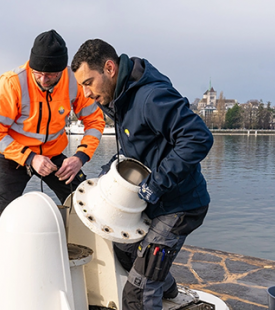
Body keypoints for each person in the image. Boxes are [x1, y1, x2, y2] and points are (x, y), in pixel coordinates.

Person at [0, 30, 105, 310]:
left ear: (62, 69)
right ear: (30, 64)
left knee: (90, 205)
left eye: (50, 75)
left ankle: (107, 276)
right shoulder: (12, 82)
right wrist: (28, 158)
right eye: (38, 72)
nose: (43, 79)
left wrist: (80, 157)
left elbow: (95, 121)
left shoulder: (73, 83)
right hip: (14, 157)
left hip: (55, 157)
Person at [71, 39, 213, 310]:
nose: (86, 93)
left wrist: (157, 184)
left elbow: (198, 137)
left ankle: (153, 289)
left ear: (110, 68)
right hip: (155, 201)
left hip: (180, 206)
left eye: (88, 82)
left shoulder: (149, 97)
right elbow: (142, 148)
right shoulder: (120, 98)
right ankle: (168, 291)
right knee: (124, 248)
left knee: (137, 293)